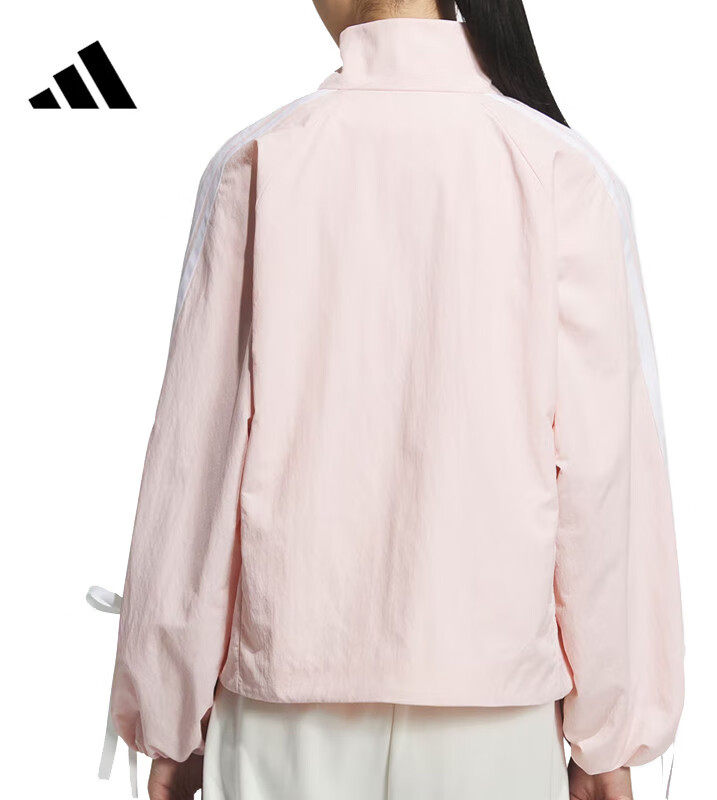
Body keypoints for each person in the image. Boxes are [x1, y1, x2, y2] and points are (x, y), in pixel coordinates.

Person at [100, 1, 684, 798]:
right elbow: (602, 484)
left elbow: (198, 474)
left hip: (285, 711)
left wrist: (168, 715)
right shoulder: (560, 169)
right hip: (495, 718)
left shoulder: (262, 161)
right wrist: (610, 735)